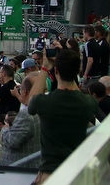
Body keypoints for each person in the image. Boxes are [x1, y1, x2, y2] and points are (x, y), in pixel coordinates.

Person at [29, 48, 99, 182]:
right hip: (76, 173)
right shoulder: (89, 103)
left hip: (50, 174)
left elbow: (31, 101)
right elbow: (78, 94)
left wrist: (44, 68)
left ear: (56, 71)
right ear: (78, 71)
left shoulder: (45, 102)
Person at [0, 72, 41, 169]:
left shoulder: (26, 114)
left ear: (24, 91)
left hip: (19, 169)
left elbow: (11, 141)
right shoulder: (44, 109)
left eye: (20, 89)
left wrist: (5, 128)